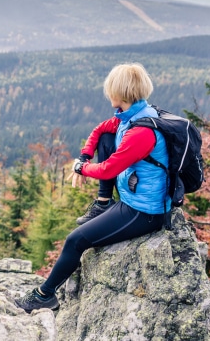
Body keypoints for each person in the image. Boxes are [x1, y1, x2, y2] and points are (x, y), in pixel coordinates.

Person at [15, 62, 171, 312]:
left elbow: (109, 169)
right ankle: (102, 203)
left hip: (145, 212)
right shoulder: (131, 117)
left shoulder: (141, 131)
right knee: (107, 138)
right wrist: (85, 156)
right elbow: (101, 130)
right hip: (133, 200)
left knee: (75, 240)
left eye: (111, 89)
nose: (108, 94)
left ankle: (44, 295)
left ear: (120, 91)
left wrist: (79, 168)